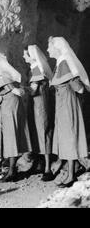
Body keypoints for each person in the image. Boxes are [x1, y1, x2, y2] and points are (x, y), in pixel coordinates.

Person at [48, 36, 89, 188]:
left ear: (57, 48)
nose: (47, 50)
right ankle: (72, 170)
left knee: (70, 137)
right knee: (66, 138)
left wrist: (77, 90)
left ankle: (71, 175)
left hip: (67, 104)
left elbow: (77, 86)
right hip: (63, 104)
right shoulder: (60, 63)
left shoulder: (64, 63)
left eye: (49, 46)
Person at [0, 50, 31, 182]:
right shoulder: (8, 73)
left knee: (11, 137)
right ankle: (12, 168)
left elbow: (17, 91)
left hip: (9, 108)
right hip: (13, 106)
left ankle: (12, 172)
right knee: (14, 136)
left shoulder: (2, 76)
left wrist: (19, 90)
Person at [23, 45, 54, 181]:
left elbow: (33, 90)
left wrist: (18, 88)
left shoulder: (37, 69)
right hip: (36, 105)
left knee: (43, 133)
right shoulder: (35, 68)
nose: (24, 57)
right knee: (37, 133)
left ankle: (47, 168)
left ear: (32, 56)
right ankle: (39, 164)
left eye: (25, 55)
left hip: (40, 106)